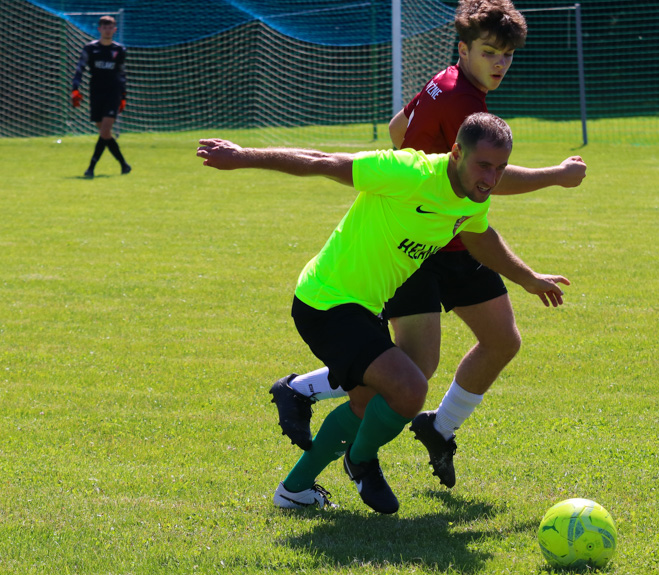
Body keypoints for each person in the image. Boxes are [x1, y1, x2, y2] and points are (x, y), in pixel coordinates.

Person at [270, 0, 586, 489]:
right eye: (489, 53)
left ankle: (438, 429)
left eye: (506, 55)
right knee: (407, 375)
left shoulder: (444, 81)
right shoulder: (466, 104)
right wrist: (556, 176)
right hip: (424, 243)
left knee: (501, 340)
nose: (499, 64)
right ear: (465, 49)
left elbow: (400, 129)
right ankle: (311, 405)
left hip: (455, 235)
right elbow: (490, 177)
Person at [197, 113, 569, 513]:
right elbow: (323, 161)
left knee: (367, 403)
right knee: (409, 388)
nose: (491, 178)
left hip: (364, 308)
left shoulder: (471, 198)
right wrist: (242, 156)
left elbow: (481, 238)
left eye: (500, 168)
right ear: (456, 152)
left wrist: (528, 278)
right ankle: (360, 461)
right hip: (325, 301)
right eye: (483, 165)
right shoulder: (407, 172)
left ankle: (294, 490)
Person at [71, 15, 131, 178]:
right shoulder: (90, 49)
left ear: (114, 30)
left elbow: (122, 73)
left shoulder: (119, 50)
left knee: (105, 131)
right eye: (104, 27)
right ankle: (124, 165)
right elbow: (79, 69)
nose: (107, 30)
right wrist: (75, 88)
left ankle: (91, 168)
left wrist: (123, 96)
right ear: (99, 29)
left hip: (113, 93)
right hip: (96, 93)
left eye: (110, 27)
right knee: (105, 134)